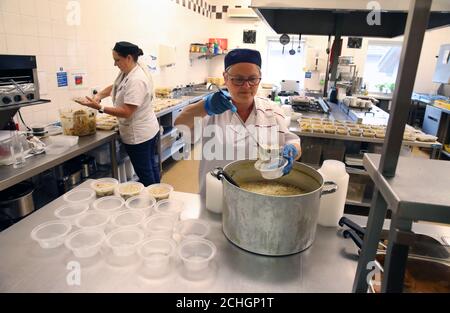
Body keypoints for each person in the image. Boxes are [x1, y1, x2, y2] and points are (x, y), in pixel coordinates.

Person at [174, 48, 301, 196]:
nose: (246, 86)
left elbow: (294, 143)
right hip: (216, 194)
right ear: (226, 78)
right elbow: (180, 123)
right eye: (238, 79)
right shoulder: (212, 109)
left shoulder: (272, 110)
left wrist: (291, 150)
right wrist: (204, 106)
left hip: (260, 195)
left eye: (252, 79)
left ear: (260, 78)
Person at [75, 41, 160, 186]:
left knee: (145, 173)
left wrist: (99, 107)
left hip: (139, 136)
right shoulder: (130, 70)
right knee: (150, 168)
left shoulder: (136, 79)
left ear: (128, 58)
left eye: (117, 60)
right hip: (146, 131)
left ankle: (153, 200)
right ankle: (157, 194)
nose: (115, 64)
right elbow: (116, 86)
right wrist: (99, 95)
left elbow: (127, 112)